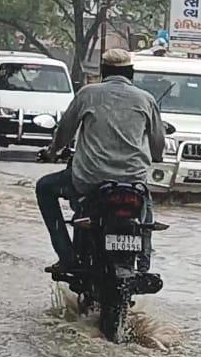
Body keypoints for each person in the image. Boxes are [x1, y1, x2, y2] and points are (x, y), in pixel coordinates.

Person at [37, 48, 165, 278]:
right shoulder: (146, 99)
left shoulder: (88, 94)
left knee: (44, 188)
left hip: (89, 180)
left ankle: (67, 257)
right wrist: (155, 156)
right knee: (146, 207)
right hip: (132, 180)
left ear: (103, 71)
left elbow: (64, 132)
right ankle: (144, 265)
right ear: (131, 73)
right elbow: (158, 144)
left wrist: (51, 152)